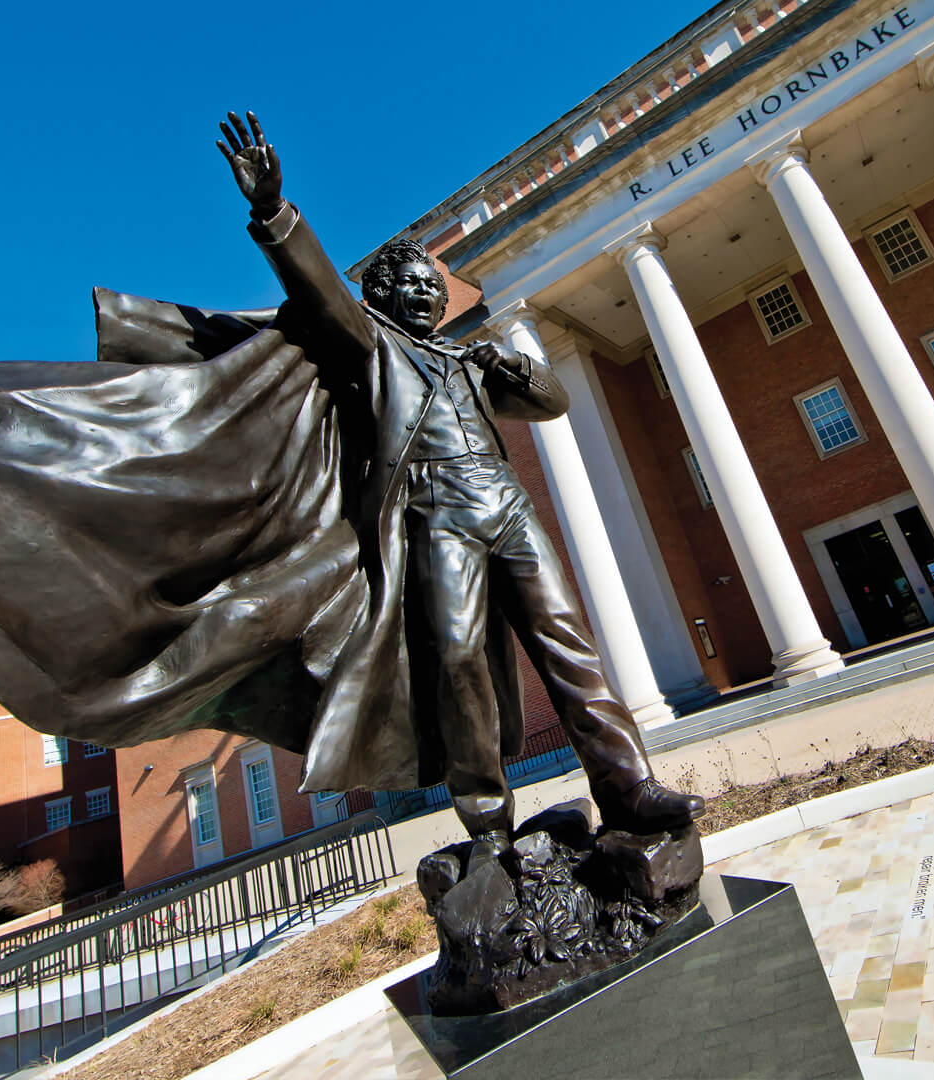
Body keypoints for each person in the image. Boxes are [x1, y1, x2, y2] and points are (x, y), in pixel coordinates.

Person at [216, 112, 703, 846]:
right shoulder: (373, 349)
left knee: (567, 643)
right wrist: (273, 212)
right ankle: (487, 826)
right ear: (381, 298)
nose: (424, 297)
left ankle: (630, 788)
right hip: (436, 513)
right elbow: (319, 290)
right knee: (457, 660)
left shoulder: (469, 364)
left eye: (430, 288)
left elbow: (551, 403)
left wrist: (507, 363)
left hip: (506, 506)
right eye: (408, 287)